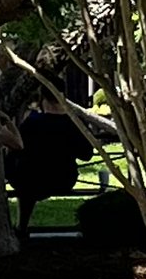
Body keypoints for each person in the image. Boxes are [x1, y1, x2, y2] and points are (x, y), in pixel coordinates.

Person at [10, 96, 91, 236]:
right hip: (63, 179)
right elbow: (86, 154)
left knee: (26, 185)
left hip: (31, 179)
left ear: (44, 102)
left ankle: (21, 227)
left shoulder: (32, 123)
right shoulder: (73, 124)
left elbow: (17, 149)